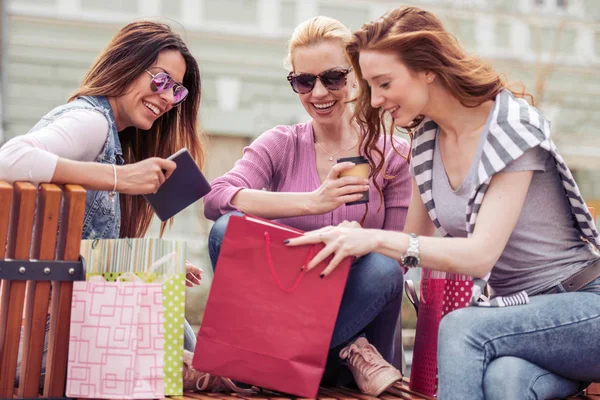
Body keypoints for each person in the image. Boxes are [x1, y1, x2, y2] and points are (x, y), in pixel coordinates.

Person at [287, 6, 600, 400]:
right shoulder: (426, 143)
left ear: (427, 69)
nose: (377, 99)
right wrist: (357, 237)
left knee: (461, 327)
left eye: (385, 83)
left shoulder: (511, 127)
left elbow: (479, 256)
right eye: (371, 86)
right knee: (505, 382)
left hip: (585, 307)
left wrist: (376, 241)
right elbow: (411, 244)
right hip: (523, 323)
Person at [0, 20, 218, 391]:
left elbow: (72, 248)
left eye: (176, 91)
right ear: (127, 64)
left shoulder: (112, 136)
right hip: (37, 347)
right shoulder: (90, 121)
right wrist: (120, 178)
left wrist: (151, 262)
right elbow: (9, 158)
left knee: (169, 317)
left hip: (42, 334)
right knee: (191, 352)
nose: (166, 98)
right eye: (161, 80)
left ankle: (202, 370)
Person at [203, 16, 412, 396]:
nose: (318, 92)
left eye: (331, 77)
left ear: (356, 76)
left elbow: (402, 251)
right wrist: (312, 202)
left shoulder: (393, 155)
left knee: (383, 265)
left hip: (355, 339)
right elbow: (217, 197)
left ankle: (261, 362)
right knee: (226, 228)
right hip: (284, 316)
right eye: (304, 80)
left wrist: (363, 238)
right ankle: (272, 360)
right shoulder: (282, 144)